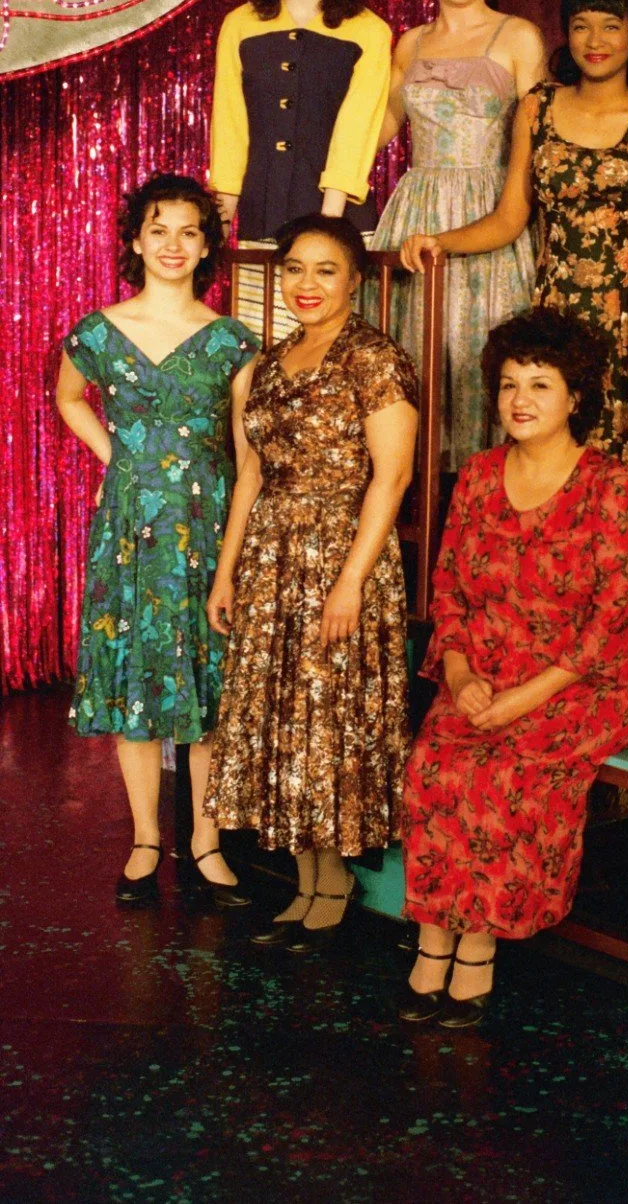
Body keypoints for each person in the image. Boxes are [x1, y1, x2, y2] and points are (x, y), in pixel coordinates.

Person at [401, 0, 628, 670]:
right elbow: (511, 218)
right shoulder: (536, 106)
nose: (595, 40)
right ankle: (553, 648)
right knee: (560, 485)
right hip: (561, 327)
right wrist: (438, 240)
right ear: (566, 35)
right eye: (582, 24)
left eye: (611, 24)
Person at [399, 308, 628, 1026]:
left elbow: (614, 619)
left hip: (583, 676)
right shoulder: (479, 475)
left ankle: (475, 948)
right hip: (485, 659)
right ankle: (430, 943)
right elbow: (449, 585)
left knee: (502, 775)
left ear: (577, 397)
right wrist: (457, 674)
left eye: (540, 385)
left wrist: (522, 700)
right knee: (432, 767)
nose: (521, 400)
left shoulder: (611, 485)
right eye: (510, 384)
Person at [204, 214, 418, 950]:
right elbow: (250, 477)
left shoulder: (376, 359)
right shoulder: (265, 366)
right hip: (271, 557)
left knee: (328, 721)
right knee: (282, 722)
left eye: (325, 270)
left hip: (342, 555)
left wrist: (351, 580)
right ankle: (307, 882)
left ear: (355, 280)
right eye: (294, 268)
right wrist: (227, 572)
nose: (306, 284)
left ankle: (337, 887)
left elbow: (392, 478)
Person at [55, 175, 259, 906]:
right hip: (130, 532)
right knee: (136, 681)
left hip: (206, 530)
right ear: (136, 240)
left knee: (207, 684)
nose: (173, 244)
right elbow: (66, 397)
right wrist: (120, 458)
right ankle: (147, 838)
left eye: (189, 232)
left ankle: (204, 844)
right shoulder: (99, 331)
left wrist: (235, 554)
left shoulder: (233, 341)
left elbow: (247, 453)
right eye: (159, 229)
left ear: (207, 247)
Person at [368, 0, 545, 467]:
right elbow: (381, 127)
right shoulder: (410, 43)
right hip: (414, 213)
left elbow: (539, 141)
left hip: (489, 212)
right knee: (411, 365)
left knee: (479, 366)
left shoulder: (518, 36)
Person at [210, 0, 391, 337]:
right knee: (261, 357)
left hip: (339, 219)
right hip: (261, 217)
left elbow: (356, 132)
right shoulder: (240, 25)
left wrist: (325, 235)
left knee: (337, 362)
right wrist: (220, 221)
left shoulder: (369, 29)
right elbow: (230, 128)